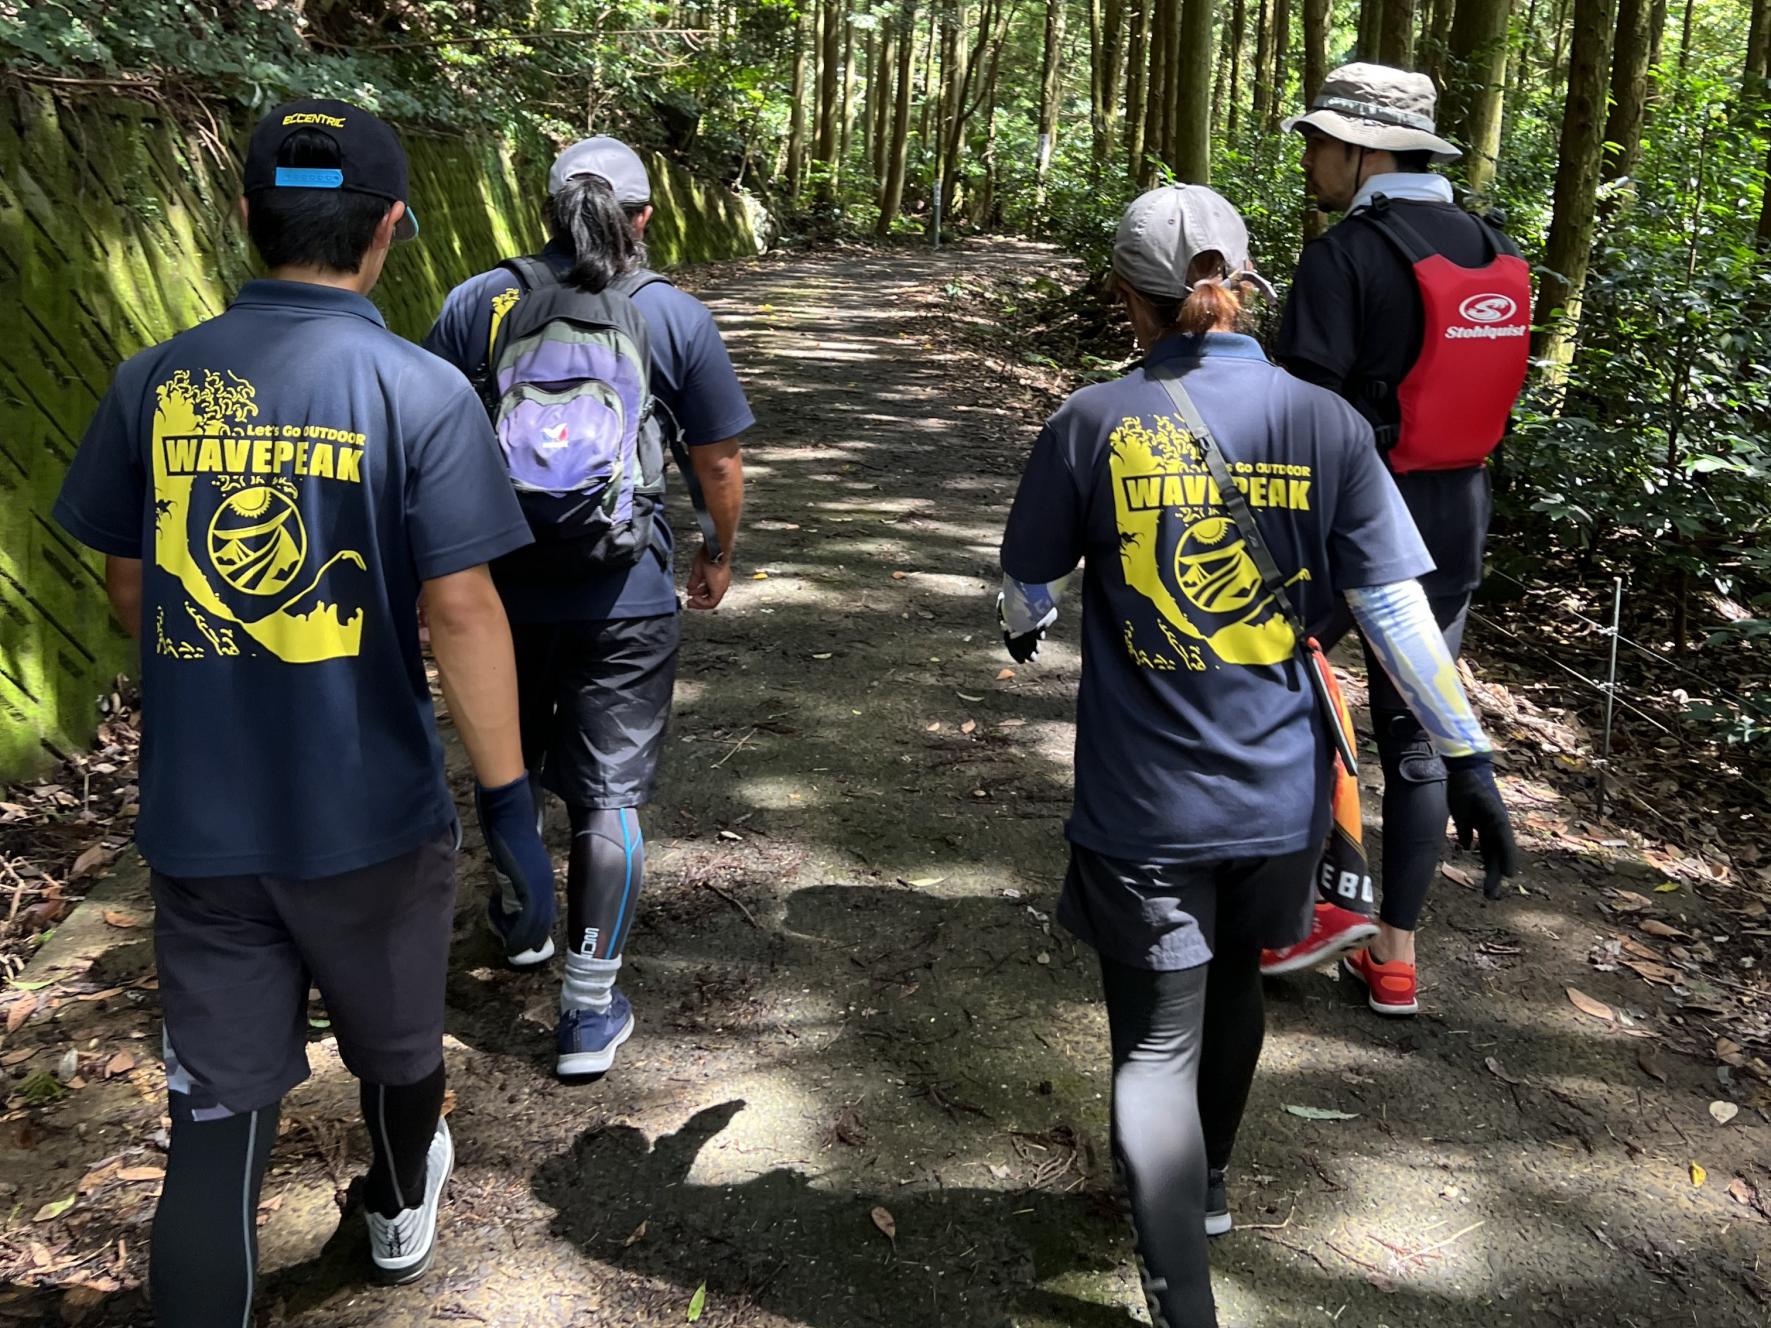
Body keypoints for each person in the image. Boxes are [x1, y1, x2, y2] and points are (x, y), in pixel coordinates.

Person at [51, 100, 556, 1322]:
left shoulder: (152, 381)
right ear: (389, 228)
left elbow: (132, 582)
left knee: (214, 1130)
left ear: (244, 218)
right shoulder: (421, 392)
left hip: (201, 820)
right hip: (369, 811)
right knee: (397, 1044)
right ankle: (392, 1203)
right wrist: (509, 807)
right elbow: (464, 613)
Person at [997, 183, 1518, 1328]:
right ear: (1243, 284)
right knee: (1236, 984)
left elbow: (1025, 580)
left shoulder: (1089, 421)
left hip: (1142, 799)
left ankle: (1177, 1281)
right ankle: (1210, 1184)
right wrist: (1465, 752)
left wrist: (1023, 616)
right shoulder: (1324, 423)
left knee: (1153, 1037)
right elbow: (1392, 605)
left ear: (1125, 294)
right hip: (1282, 789)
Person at [424, 136, 750, 1080]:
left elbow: (430, 447)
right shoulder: (671, 313)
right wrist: (716, 550)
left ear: (544, 211)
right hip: (627, 591)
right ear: (642, 217)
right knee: (607, 796)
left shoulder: (473, 304)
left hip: (494, 589)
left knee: (507, 761)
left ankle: (521, 922)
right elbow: (718, 462)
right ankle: (586, 1012)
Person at [1264, 63, 1532, 1013]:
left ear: (1360, 150)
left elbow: (1300, 414)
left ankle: (1294, 909)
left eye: (1317, 142)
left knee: (1275, 686)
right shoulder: (1494, 247)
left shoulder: (1345, 254)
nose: (1310, 159)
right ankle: (1395, 958)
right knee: (1414, 731)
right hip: (1456, 510)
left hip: (1352, 516)